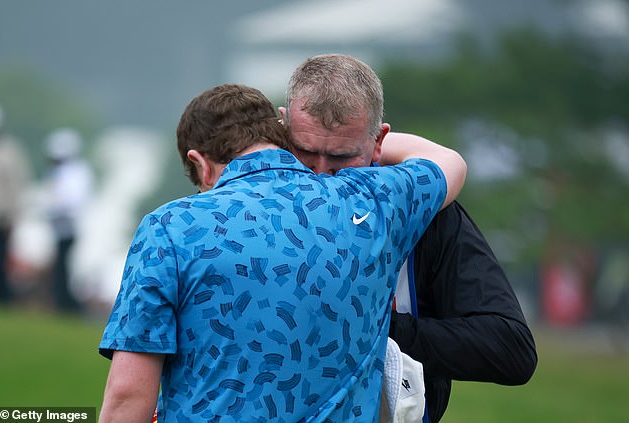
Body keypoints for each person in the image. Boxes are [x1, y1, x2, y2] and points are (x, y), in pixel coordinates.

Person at [98, 83, 466, 422]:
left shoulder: (169, 228)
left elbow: (129, 397)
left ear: (199, 163)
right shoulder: (374, 200)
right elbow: (447, 161)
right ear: (281, 135)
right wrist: (367, 141)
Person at [279, 53, 538, 422]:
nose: (322, 178)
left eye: (341, 159)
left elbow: (510, 349)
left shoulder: (422, 210)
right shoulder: (255, 205)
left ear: (379, 142)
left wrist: (375, 326)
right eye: (305, 155)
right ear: (283, 129)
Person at [44, 127, 94, 312]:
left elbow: (71, 201)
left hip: (70, 227)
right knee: (60, 265)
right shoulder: (63, 172)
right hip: (59, 227)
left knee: (64, 267)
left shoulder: (76, 172)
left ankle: (66, 303)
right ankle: (61, 300)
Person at [0, 101, 31, 304]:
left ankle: (2, 300)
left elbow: (16, 188)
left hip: (1, 220)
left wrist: (13, 217)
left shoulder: (9, 153)